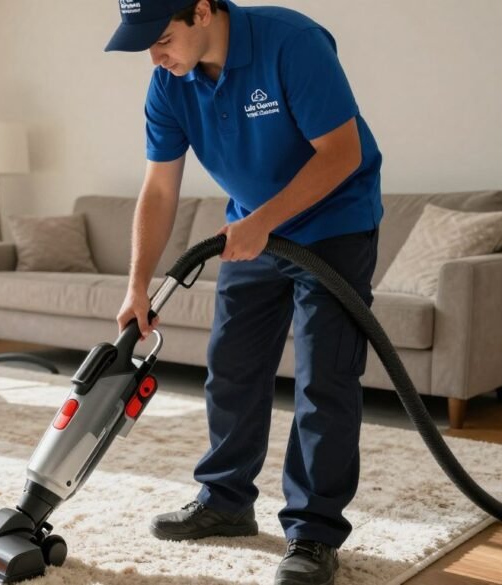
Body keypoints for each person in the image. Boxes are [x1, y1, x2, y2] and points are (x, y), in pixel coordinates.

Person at [107, 1, 383, 583]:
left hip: (333, 226)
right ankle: (225, 501)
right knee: (231, 365)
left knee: (323, 378)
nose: (155, 57)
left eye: (161, 39)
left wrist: (263, 222)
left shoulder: (292, 42)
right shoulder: (169, 83)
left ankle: (312, 533)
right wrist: (138, 286)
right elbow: (159, 190)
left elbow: (343, 153)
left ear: (202, 11)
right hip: (251, 234)